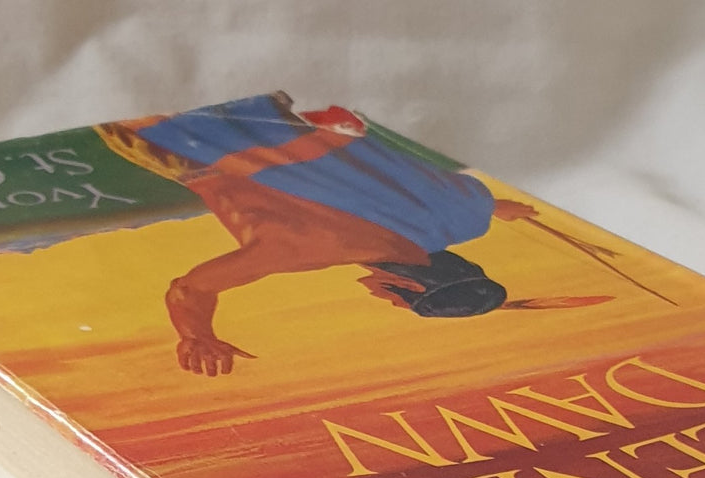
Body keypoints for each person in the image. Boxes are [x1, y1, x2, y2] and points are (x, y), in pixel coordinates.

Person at [97, 93, 593, 376]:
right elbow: (189, 289)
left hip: (270, 112)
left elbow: (459, 191)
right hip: (182, 140)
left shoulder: (470, 213)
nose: (384, 300)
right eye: (397, 301)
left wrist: (499, 207)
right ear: (410, 284)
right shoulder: (300, 251)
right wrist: (198, 336)